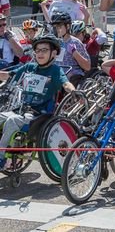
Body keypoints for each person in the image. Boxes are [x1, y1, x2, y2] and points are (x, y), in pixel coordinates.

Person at [0, 34, 75, 170]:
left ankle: (1, 157)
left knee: (12, 120)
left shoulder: (55, 71)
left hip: (39, 115)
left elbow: (66, 84)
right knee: (7, 117)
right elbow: (7, 76)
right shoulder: (29, 67)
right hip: (21, 109)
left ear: (54, 53)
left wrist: (74, 92)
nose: (40, 53)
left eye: (44, 50)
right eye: (38, 50)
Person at [51, 12, 91, 87]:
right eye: (55, 27)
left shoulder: (75, 42)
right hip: (55, 74)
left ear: (68, 26)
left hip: (71, 76)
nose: (57, 29)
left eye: (59, 26)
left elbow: (87, 67)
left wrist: (74, 52)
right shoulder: (53, 42)